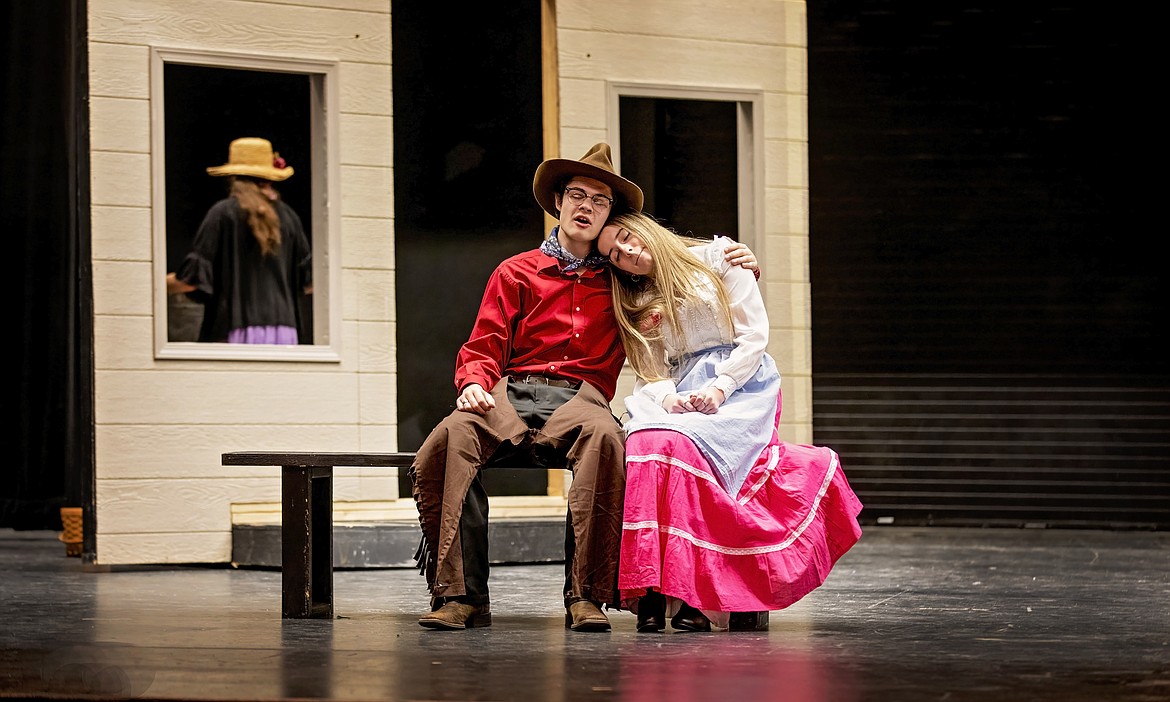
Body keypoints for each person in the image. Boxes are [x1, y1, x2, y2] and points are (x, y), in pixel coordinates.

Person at [408, 143, 760, 632]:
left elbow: (683, 270)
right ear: (559, 202)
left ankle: (586, 596)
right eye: (578, 194)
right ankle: (460, 595)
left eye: (600, 201)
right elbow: (484, 343)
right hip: (512, 389)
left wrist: (732, 258)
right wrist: (473, 383)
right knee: (450, 439)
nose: (587, 207)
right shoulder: (516, 272)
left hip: (582, 395)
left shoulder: (624, 280)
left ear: (609, 217)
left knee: (606, 441)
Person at [598, 211, 864, 632]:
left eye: (628, 238)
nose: (628, 252)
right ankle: (651, 589)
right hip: (680, 385)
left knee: (687, 446)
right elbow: (649, 367)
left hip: (741, 383)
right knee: (646, 440)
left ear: (647, 228)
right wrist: (669, 397)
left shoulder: (720, 257)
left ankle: (697, 594)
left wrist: (720, 387)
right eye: (615, 254)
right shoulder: (635, 298)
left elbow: (754, 335)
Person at [166, 137, 312, 344]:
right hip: (285, 334)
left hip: (234, 331)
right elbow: (311, 282)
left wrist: (155, 286)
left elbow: (190, 283)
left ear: (234, 177)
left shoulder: (223, 214)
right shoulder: (289, 218)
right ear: (269, 178)